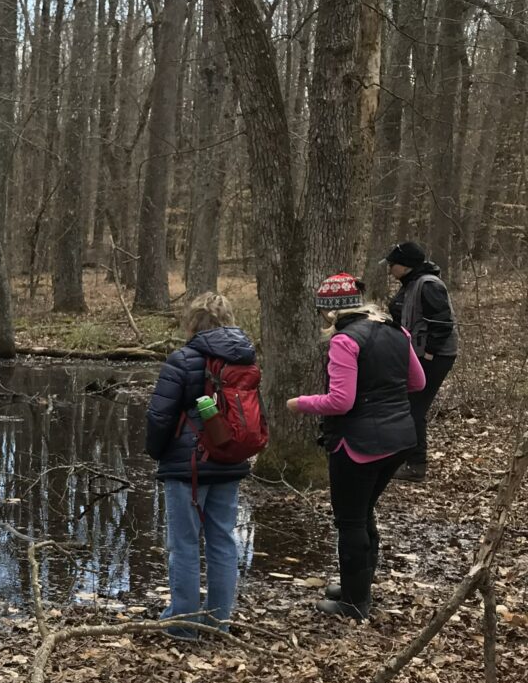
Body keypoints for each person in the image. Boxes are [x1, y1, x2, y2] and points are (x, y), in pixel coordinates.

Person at [287, 273, 426, 620]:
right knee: (363, 514)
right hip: (400, 440)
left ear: (330, 311)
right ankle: (356, 588)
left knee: (349, 520)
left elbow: (340, 401)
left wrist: (300, 403)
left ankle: (353, 603)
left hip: (359, 444)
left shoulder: (345, 341)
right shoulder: (397, 332)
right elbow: (418, 381)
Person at [144, 292, 256, 639]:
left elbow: (159, 416)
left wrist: (157, 453)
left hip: (186, 467)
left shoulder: (182, 359)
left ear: (192, 323)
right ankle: (219, 621)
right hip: (229, 460)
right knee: (223, 540)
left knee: (185, 544)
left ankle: (183, 625)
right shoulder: (246, 361)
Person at [383, 241, 459, 481]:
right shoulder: (412, 283)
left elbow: (443, 322)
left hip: (434, 357)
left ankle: (416, 465)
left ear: (405, 266)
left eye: (393, 264)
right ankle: (404, 458)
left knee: (415, 407)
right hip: (417, 354)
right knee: (408, 405)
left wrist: (429, 353)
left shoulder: (428, 285)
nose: (390, 269)